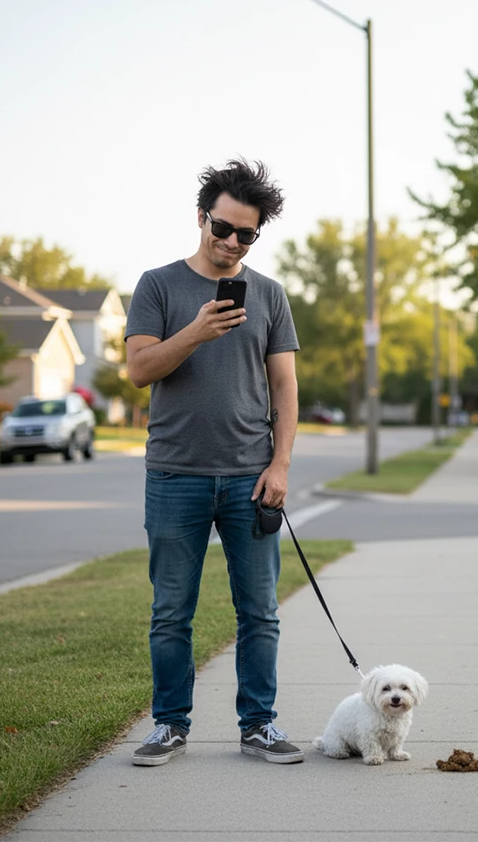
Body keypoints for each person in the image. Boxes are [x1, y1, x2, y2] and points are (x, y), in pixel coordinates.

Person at [125, 158, 302, 766]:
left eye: (245, 234)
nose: (231, 243)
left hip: (251, 478)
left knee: (260, 611)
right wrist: (196, 333)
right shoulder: (157, 285)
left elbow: (284, 389)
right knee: (171, 610)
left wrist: (279, 466)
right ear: (201, 217)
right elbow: (139, 370)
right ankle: (170, 726)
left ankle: (260, 726)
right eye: (222, 228)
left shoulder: (271, 296)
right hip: (175, 476)